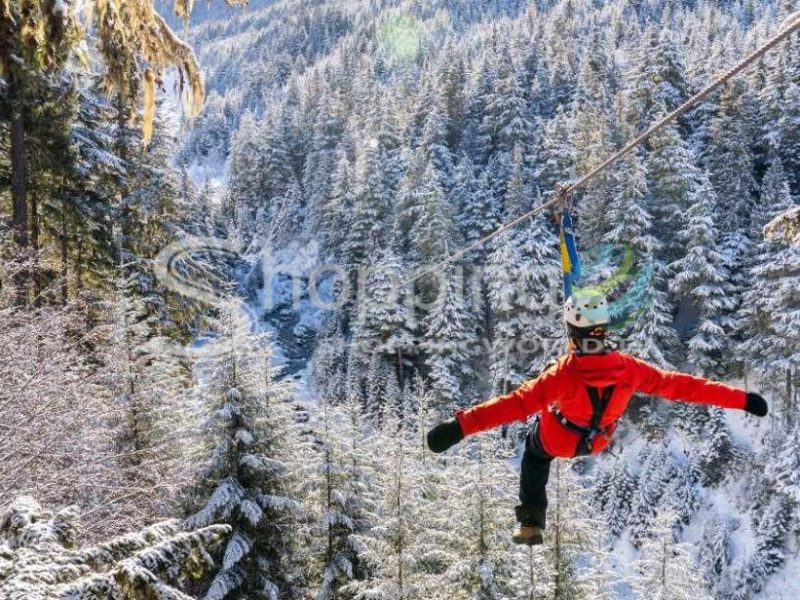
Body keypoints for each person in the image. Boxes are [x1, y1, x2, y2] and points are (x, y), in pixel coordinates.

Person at [426, 292, 769, 546]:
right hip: (597, 440)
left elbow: (513, 404)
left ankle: (531, 519)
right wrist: (741, 398)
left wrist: (459, 427)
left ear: (571, 331)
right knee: (552, 424)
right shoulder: (628, 369)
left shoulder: (562, 374)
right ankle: (534, 510)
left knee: (534, 452)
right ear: (603, 329)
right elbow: (680, 386)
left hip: (558, 438)